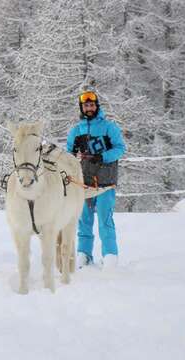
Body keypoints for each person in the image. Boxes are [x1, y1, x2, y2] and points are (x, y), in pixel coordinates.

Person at [66, 90, 126, 269]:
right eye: (86, 105)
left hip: (105, 182)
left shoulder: (109, 127)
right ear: (82, 108)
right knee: (84, 220)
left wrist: (103, 156)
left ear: (96, 106)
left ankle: (110, 256)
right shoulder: (76, 131)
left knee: (104, 220)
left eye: (92, 105)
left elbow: (120, 148)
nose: (89, 108)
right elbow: (69, 155)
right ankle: (84, 254)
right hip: (83, 182)